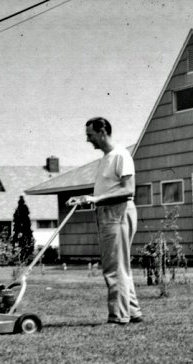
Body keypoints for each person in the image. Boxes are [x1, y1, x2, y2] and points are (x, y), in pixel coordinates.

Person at [66, 117, 142, 325]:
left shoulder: (121, 155)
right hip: (107, 212)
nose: (88, 140)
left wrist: (96, 199)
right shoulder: (106, 158)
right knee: (119, 265)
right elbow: (107, 189)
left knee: (114, 267)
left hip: (118, 213)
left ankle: (119, 316)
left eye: (90, 135)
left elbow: (128, 189)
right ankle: (133, 312)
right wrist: (84, 199)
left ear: (102, 132)